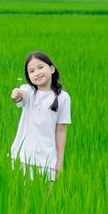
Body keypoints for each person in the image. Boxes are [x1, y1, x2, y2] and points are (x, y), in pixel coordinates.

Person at [9, 51, 70, 181]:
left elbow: (61, 131)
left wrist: (60, 162)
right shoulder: (29, 92)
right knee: (22, 198)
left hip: (47, 160)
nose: (37, 73)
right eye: (31, 71)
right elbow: (21, 95)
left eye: (40, 67)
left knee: (46, 199)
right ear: (28, 76)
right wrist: (17, 94)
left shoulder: (63, 98)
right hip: (23, 157)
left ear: (52, 69)